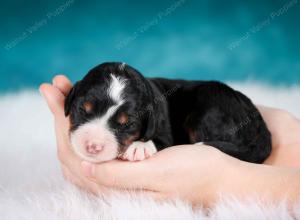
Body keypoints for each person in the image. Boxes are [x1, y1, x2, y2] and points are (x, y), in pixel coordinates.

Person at [39, 75, 300, 208]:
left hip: (215, 100)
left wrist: (225, 180)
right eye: (84, 112)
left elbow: (162, 135)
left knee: (208, 107)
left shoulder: (152, 112)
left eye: (122, 125)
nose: (93, 142)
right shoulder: (140, 102)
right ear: (72, 100)